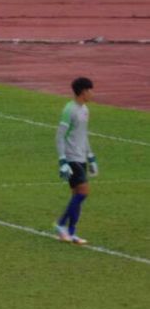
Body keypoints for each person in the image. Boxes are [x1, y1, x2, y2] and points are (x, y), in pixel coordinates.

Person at [54, 77, 97, 245]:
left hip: (81, 157)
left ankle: (71, 232)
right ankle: (60, 224)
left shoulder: (85, 109)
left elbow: (83, 134)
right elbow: (59, 136)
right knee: (83, 192)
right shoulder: (69, 110)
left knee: (75, 195)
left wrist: (91, 156)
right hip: (71, 158)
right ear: (83, 91)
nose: (92, 94)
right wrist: (62, 161)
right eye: (90, 90)